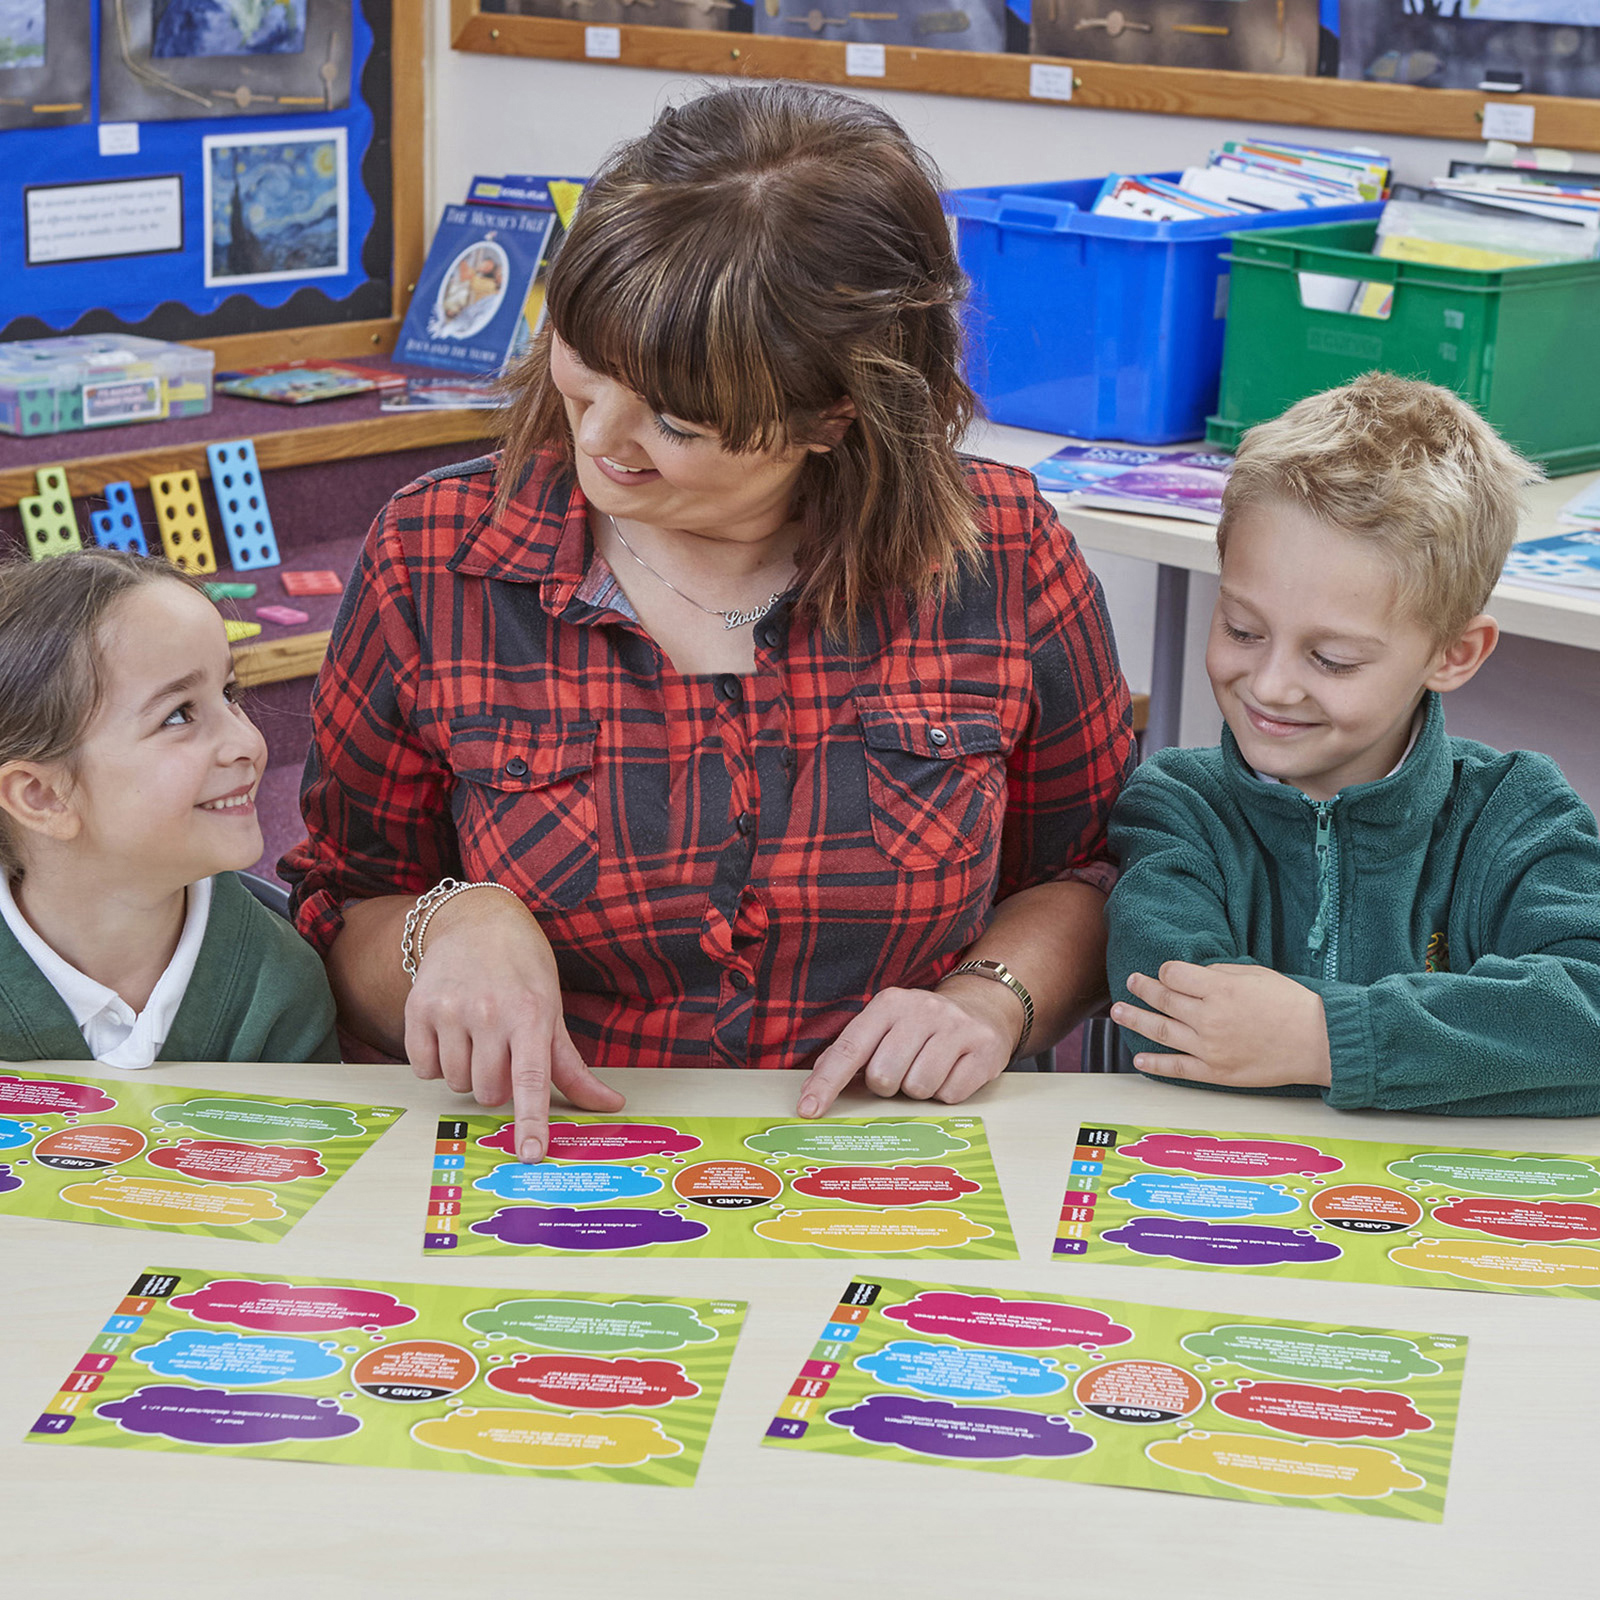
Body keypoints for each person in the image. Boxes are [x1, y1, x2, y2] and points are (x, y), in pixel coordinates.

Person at [282, 83, 1135, 1162]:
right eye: (586, 368)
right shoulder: (436, 552)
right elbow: (341, 902)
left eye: (677, 421)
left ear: (835, 413)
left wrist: (989, 996)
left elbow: (1095, 871)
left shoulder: (1000, 549)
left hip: (898, 1159)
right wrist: (444, 929)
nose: (602, 439)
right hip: (548, 1163)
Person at [1106, 372, 1600, 1114]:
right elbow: (1173, 1023)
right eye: (1242, 629)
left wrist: (1326, 1038)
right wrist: (1488, 1054)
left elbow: (1589, 1014)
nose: (1271, 685)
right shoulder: (1177, 804)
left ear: (1454, 654)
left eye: (1332, 659)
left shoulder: (1519, 813)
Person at [0, 551, 339, 1066]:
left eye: (229, 693)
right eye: (178, 715)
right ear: (41, 796)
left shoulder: (282, 985)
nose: (247, 742)